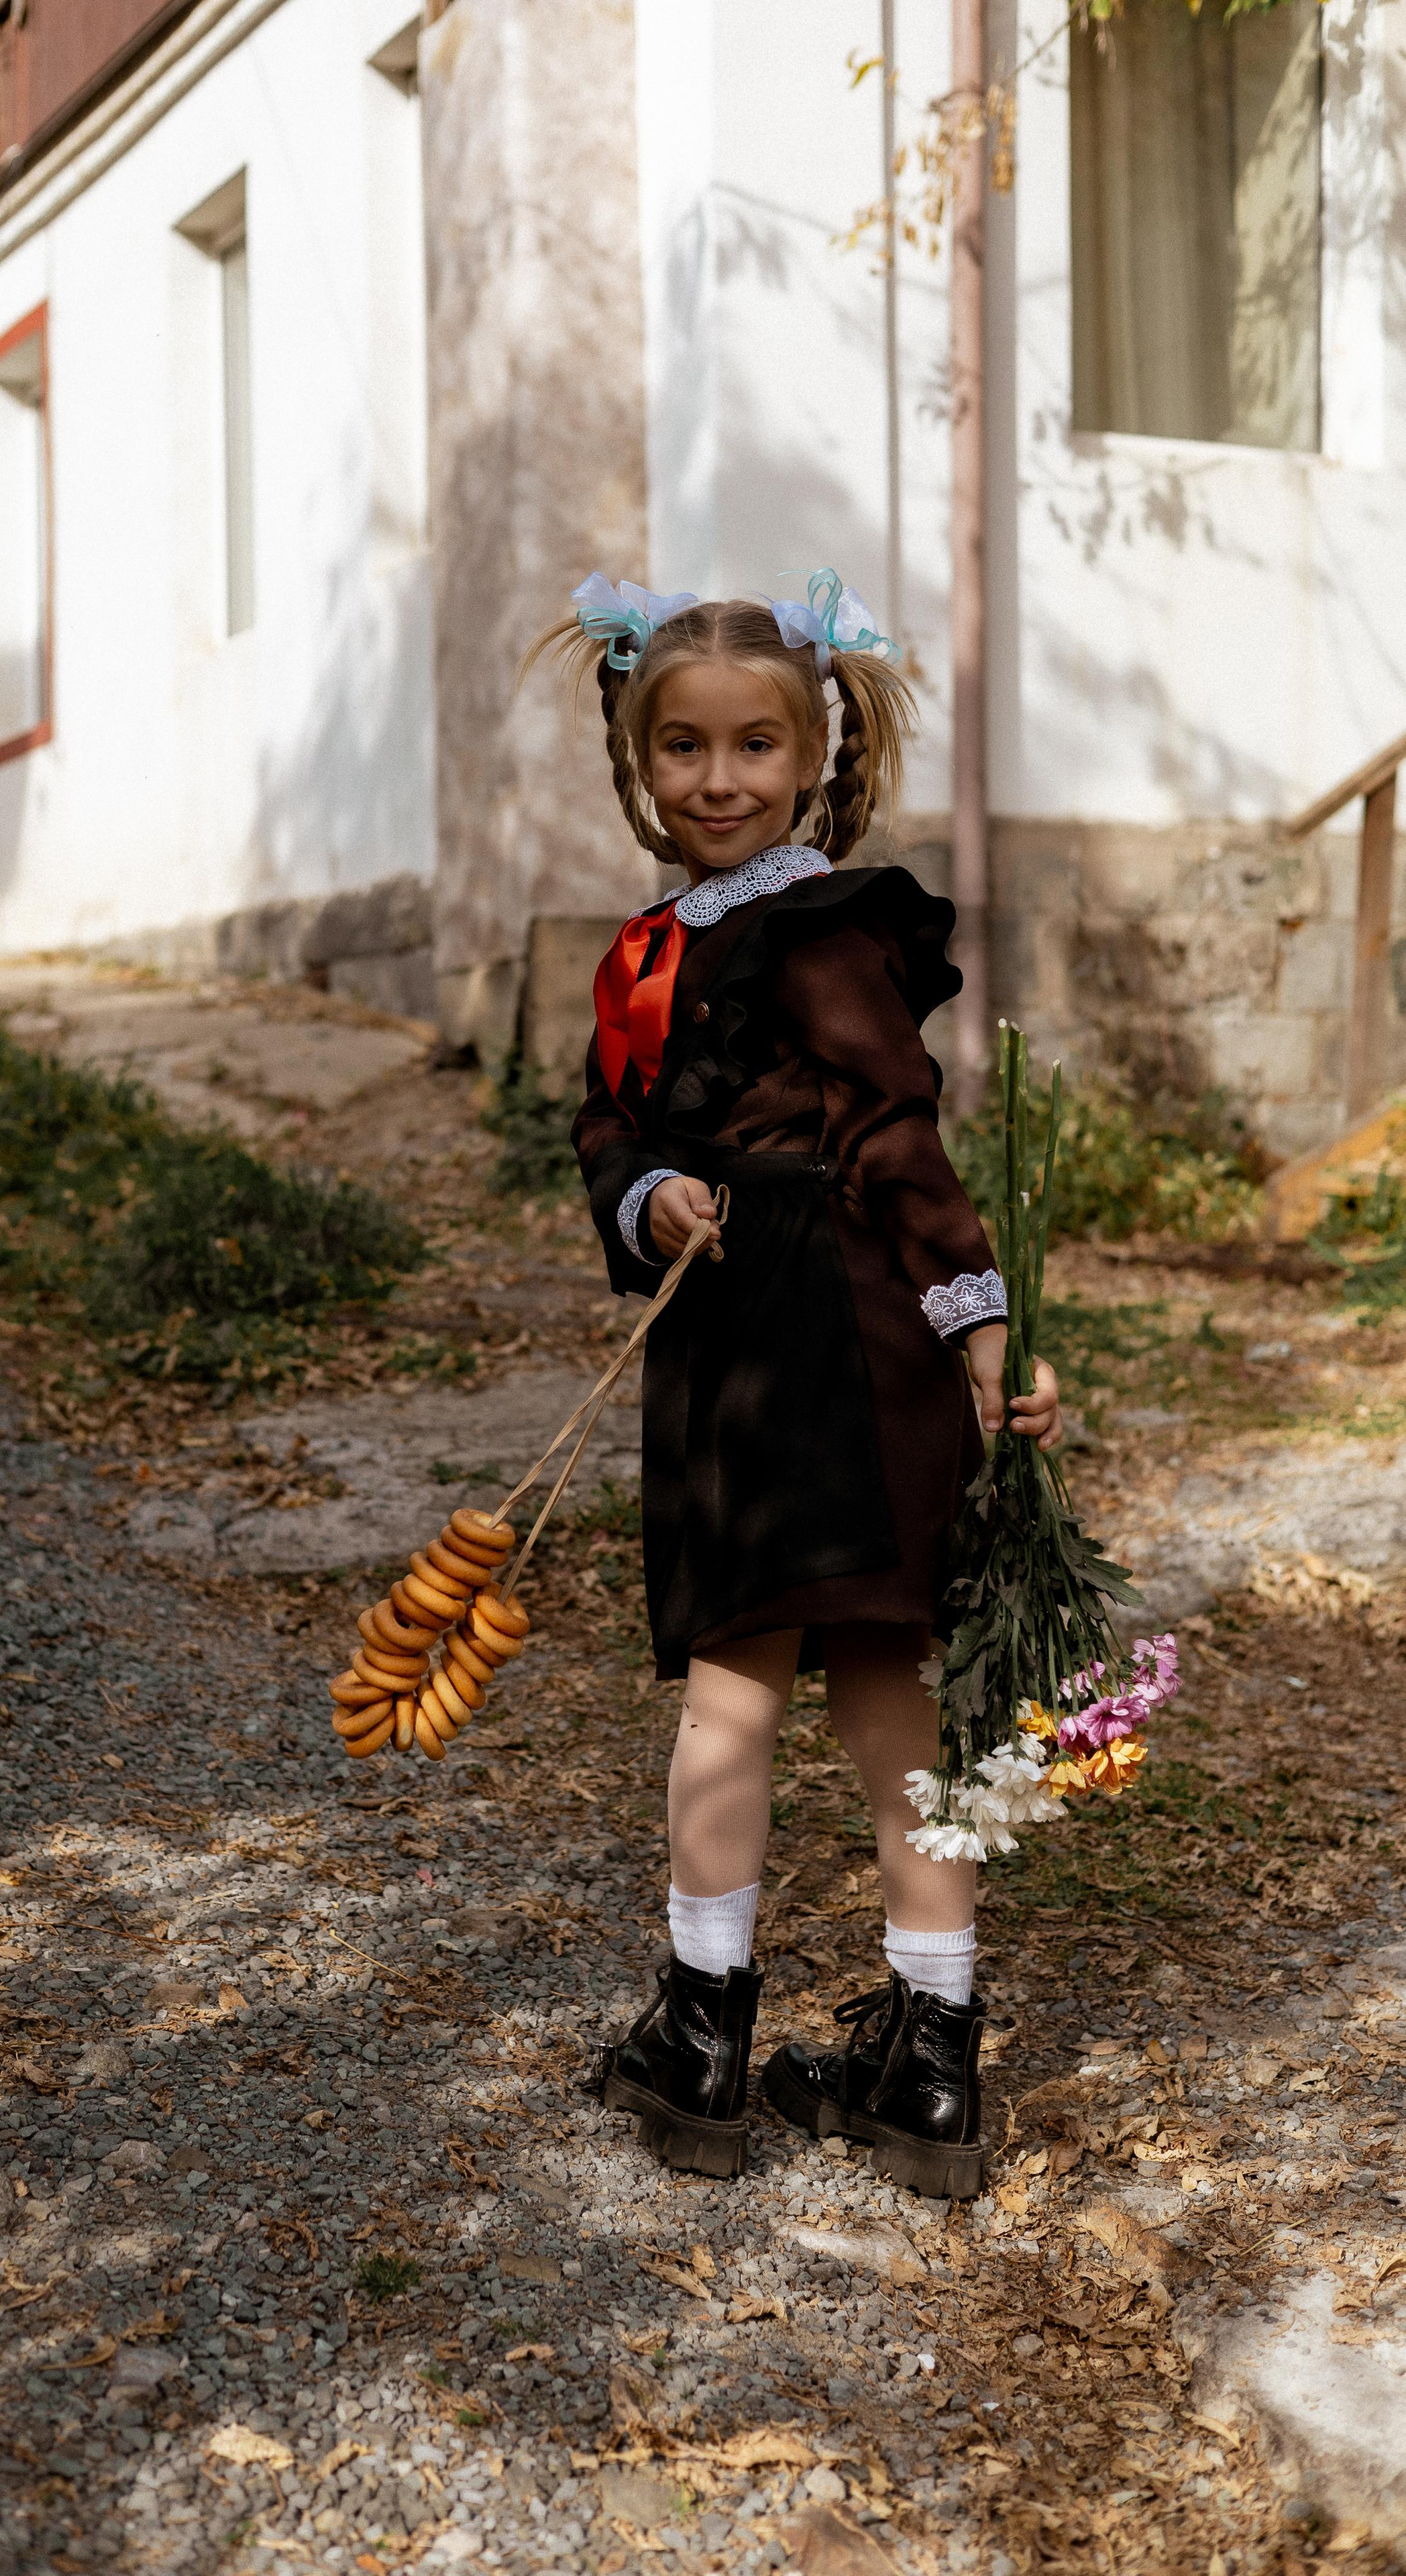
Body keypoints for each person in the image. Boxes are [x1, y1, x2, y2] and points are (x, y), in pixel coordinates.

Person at [533, 570, 1063, 2196]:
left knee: (874, 1695)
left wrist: (980, 1334)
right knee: (733, 1693)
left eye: (752, 745)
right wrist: (648, 1193)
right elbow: (606, 1121)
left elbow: (896, 1142)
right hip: (722, 1348)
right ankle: (722, 2031)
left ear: (812, 748)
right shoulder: (644, 947)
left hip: (840, 1339)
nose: (715, 778)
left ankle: (910, 2044)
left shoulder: (825, 927)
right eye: (681, 747)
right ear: (637, 761)